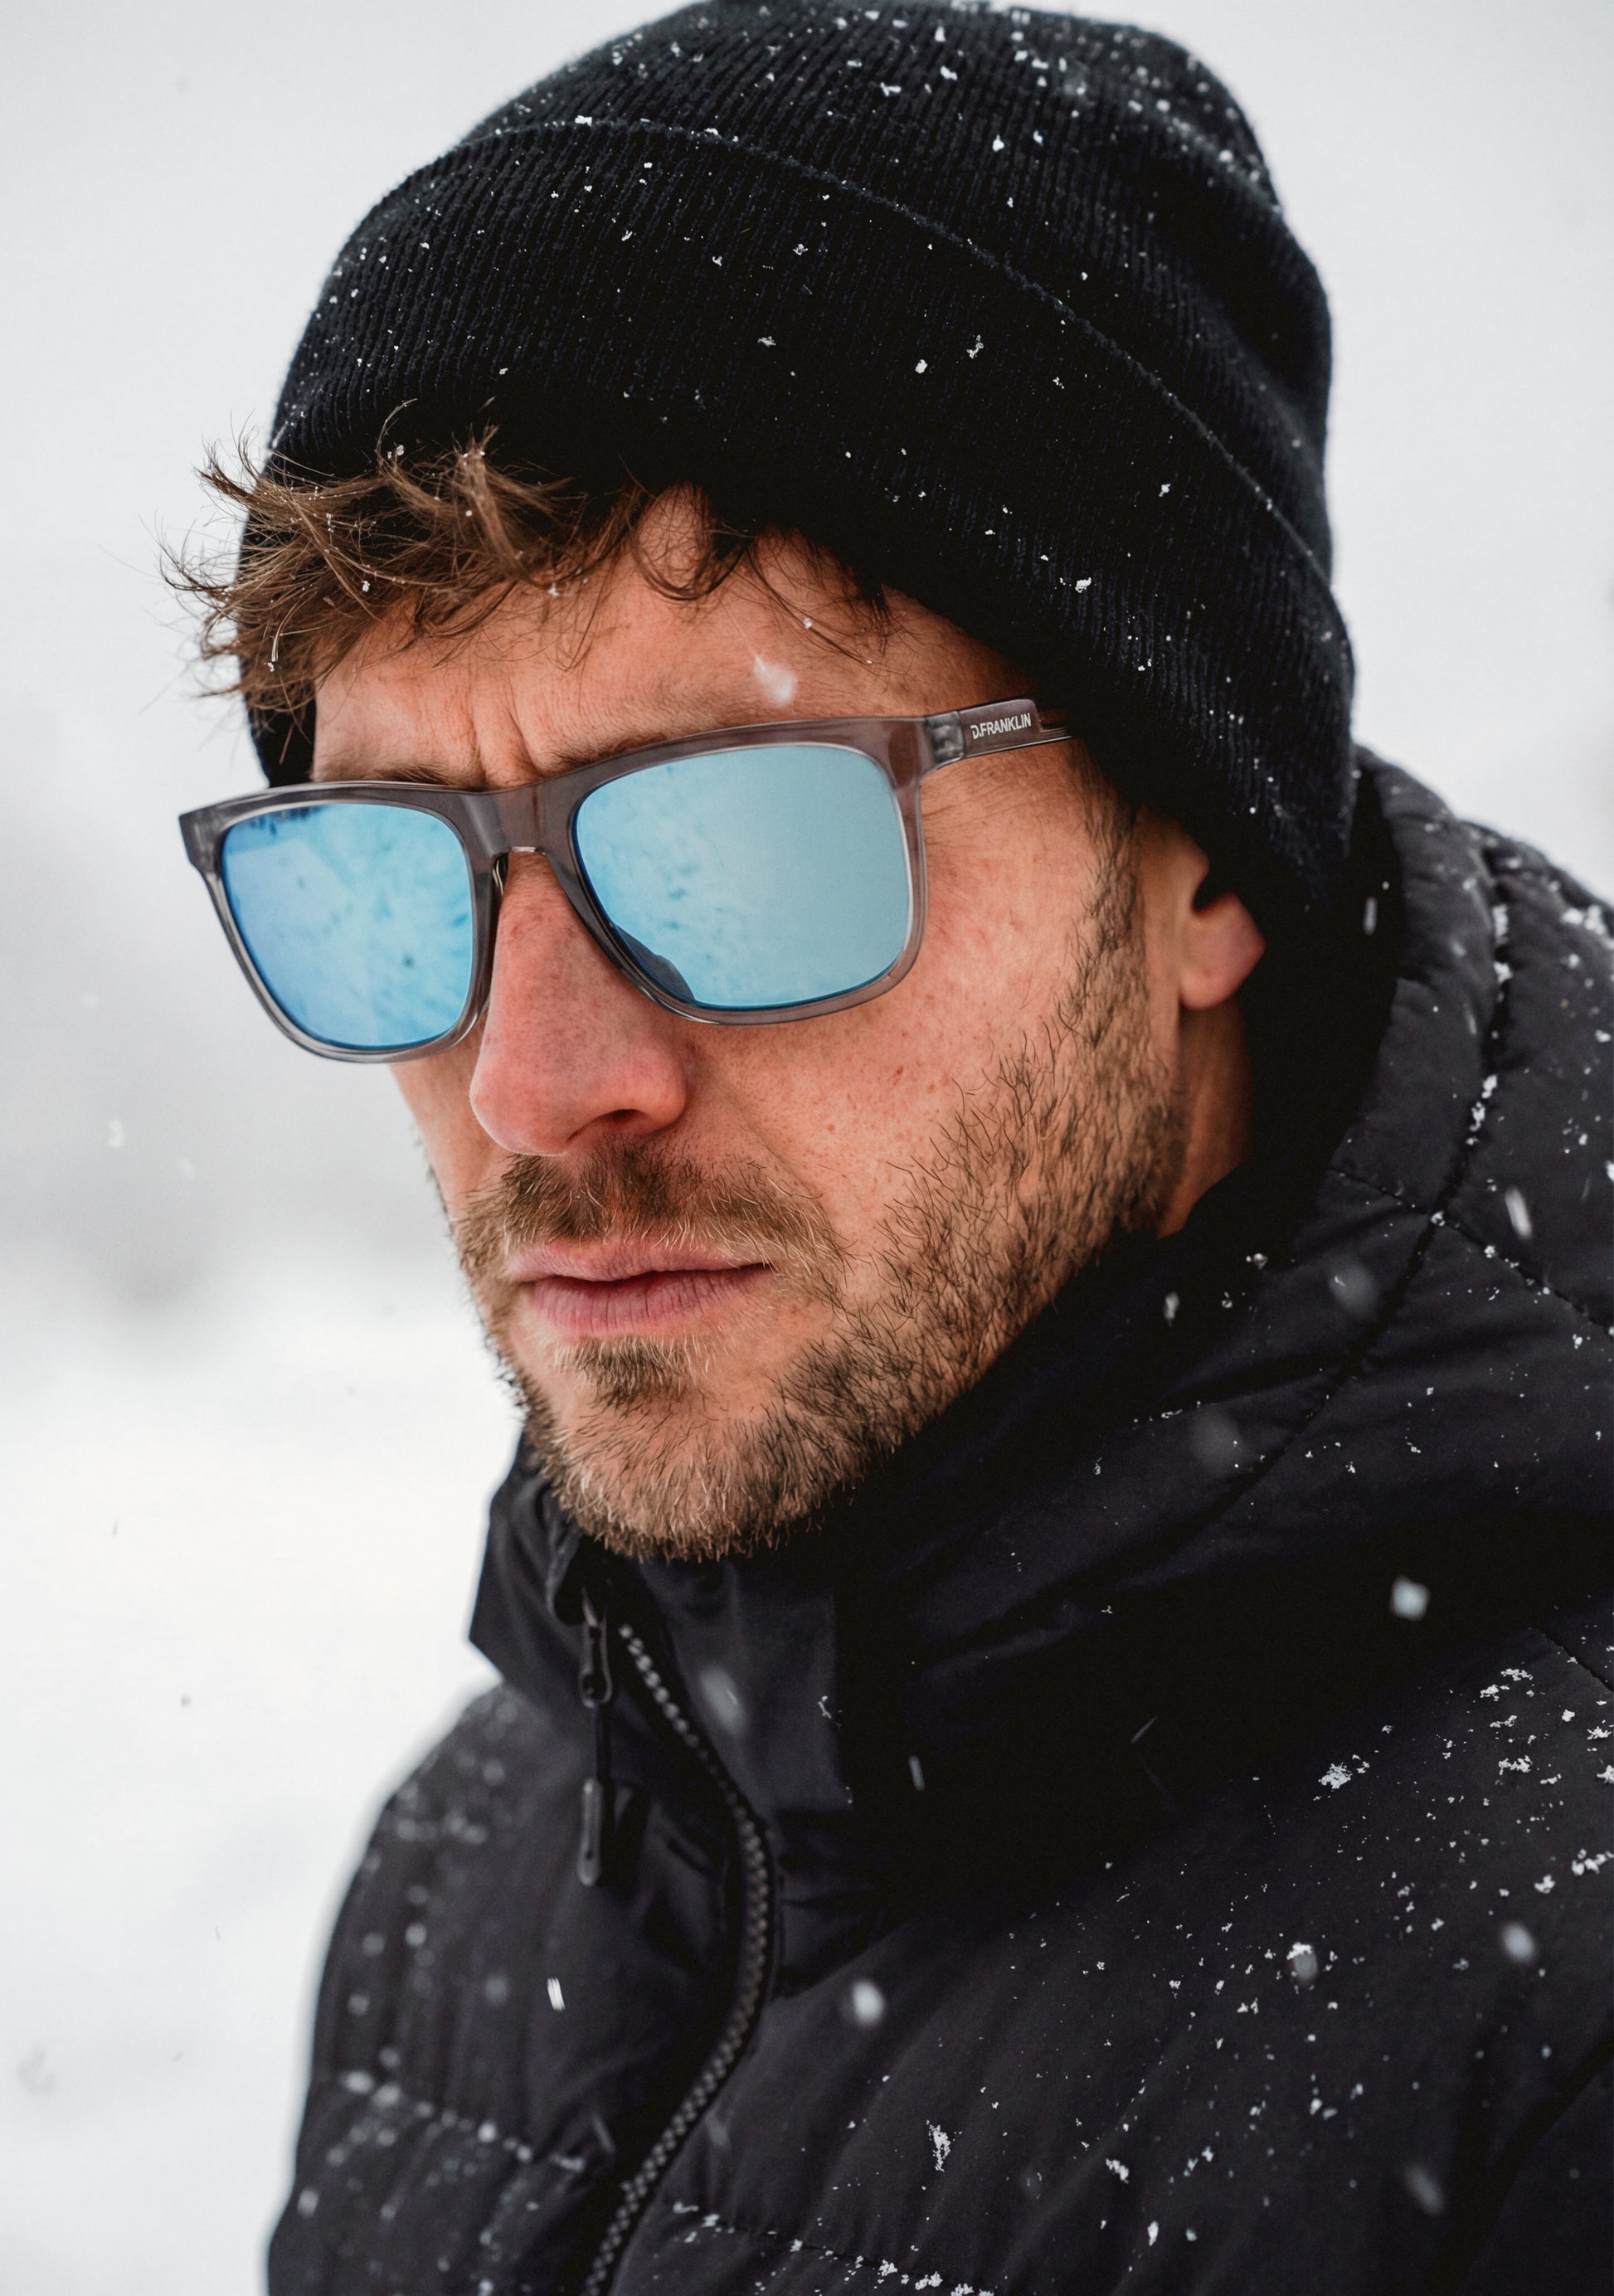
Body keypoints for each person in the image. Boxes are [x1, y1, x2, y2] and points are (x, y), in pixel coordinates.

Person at [176, 7, 1612, 2291]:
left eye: (734, 846)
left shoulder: (1561, 2020)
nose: (537, 1081)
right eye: (384, 874)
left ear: (1201, 859)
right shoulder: (476, 1871)